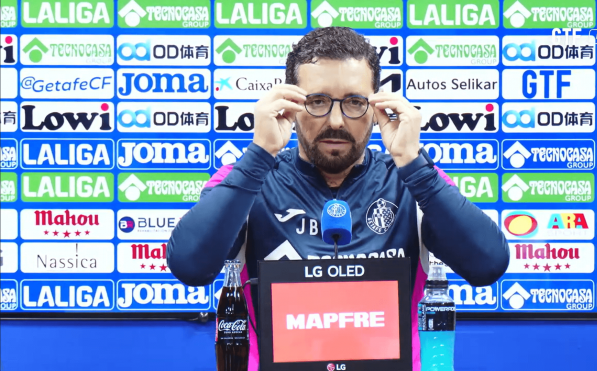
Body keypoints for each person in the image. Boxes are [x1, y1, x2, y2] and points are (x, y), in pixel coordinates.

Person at [167, 27, 509, 370]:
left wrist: (413, 164)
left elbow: (487, 264)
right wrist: (260, 154)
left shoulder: (413, 180)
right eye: (317, 101)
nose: (335, 120)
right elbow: (191, 266)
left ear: (376, 106)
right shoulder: (247, 179)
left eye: (354, 103)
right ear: (291, 104)